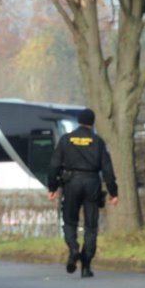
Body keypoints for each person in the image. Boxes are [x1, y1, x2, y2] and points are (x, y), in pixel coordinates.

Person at [48, 108, 119, 278]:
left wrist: (52, 188)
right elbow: (107, 169)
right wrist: (113, 192)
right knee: (91, 226)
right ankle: (86, 266)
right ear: (92, 123)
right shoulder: (97, 141)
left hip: (71, 184)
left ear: (79, 121)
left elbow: (54, 165)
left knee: (70, 221)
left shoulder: (66, 140)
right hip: (92, 184)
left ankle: (73, 249)